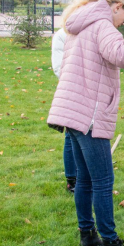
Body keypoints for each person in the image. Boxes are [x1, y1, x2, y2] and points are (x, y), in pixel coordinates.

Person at [47, 0, 124, 246]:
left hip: (74, 112)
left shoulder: (81, 24)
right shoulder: (102, 25)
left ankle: (87, 234)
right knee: (103, 181)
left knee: (85, 179)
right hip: (89, 115)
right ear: (117, 6)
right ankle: (110, 245)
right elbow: (123, 55)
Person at [51, 28, 78, 194]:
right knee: (71, 133)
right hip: (72, 90)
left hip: (91, 91)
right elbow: (59, 68)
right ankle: (72, 180)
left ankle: (85, 174)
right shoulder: (62, 35)